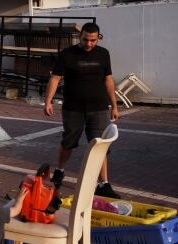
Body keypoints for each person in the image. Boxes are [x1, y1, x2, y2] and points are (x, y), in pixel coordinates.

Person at [43, 22, 120, 198]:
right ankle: (60, 172)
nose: (89, 44)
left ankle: (103, 183)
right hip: (73, 108)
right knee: (68, 142)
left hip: (99, 108)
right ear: (80, 36)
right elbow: (55, 79)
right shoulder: (67, 54)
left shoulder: (103, 54)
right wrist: (48, 101)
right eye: (86, 40)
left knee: (100, 145)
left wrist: (114, 105)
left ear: (98, 38)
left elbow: (108, 80)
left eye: (93, 40)